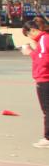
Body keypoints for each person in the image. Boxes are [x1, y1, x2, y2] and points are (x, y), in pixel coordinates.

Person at [20, 17, 49, 148]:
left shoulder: (44, 39)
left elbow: (43, 61)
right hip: (44, 78)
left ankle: (47, 138)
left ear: (32, 30)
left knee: (47, 109)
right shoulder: (44, 40)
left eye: (28, 34)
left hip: (45, 79)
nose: (30, 38)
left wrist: (30, 52)